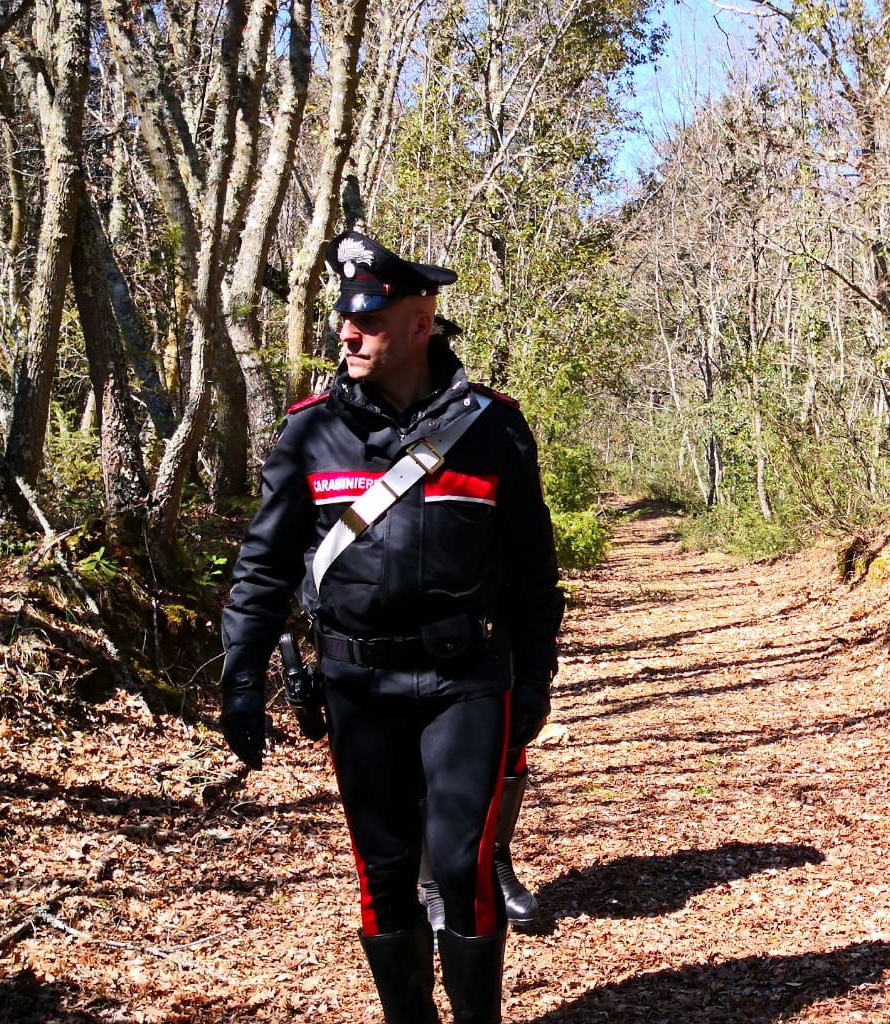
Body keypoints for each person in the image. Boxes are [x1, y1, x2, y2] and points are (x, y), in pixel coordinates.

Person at [218, 229, 561, 1023]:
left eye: (368, 321)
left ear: (420, 322)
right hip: (357, 685)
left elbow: (532, 572)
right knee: (384, 871)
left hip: (466, 682)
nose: (348, 334)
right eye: (345, 319)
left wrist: (534, 676)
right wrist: (241, 674)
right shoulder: (309, 432)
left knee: (461, 864)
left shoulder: (493, 429)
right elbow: (264, 566)